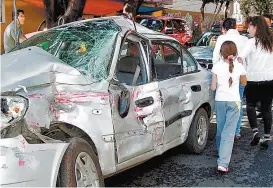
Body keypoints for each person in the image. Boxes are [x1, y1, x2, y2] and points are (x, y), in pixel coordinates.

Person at [211, 41, 247, 173]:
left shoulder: (216, 67)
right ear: (235, 52)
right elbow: (244, 83)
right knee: (229, 132)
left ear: (221, 53)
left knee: (220, 129)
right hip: (234, 102)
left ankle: (221, 152)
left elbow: (213, 87)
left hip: (220, 101)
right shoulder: (239, 67)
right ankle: (223, 162)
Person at [240, 16, 273, 150]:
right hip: (270, 79)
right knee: (266, 109)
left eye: (250, 27)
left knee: (250, 105)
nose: (248, 29)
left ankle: (255, 132)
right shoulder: (271, 42)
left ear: (256, 28)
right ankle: (266, 136)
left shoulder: (252, 42)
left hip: (253, 79)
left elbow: (240, 57)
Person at [213, 18, 248, 139]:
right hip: (239, 75)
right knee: (237, 104)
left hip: (222, 77)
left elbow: (215, 58)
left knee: (222, 107)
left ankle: (223, 132)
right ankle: (236, 131)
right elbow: (247, 60)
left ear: (224, 28)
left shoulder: (221, 39)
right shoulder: (244, 39)